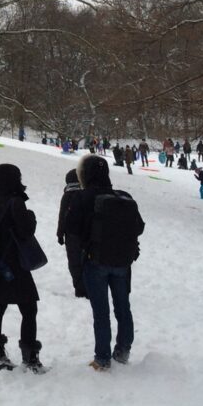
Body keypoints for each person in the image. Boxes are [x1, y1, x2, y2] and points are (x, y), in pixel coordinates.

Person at [75, 154, 145, 371]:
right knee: (123, 307)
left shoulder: (84, 196)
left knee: (101, 310)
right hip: (122, 261)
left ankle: (102, 358)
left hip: (95, 260)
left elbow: (73, 227)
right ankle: (123, 351)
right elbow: (139, 227)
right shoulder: (123, 196)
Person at [0, 164, 44, 372]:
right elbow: (26, 231)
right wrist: (31, 216)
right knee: (29, 309)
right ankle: (30, 358)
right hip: (16, 265)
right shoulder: (15, 202)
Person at [55, 169, 85, 297]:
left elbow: (62, 215)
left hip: (71, 234)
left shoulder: (67, 194)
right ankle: (88, 286)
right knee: (85, 261)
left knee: (74, 262)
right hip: (85, 233)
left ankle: (79, 288)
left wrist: (60, 234)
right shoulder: (85, 193)